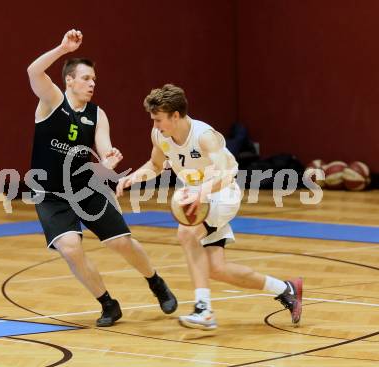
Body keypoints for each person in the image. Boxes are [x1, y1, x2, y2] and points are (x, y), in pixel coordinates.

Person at [116, 84, 302, 330]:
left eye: (158, 119)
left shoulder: (204, 136)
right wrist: (131, 178)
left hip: (223, 194)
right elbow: (155, 164)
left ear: (175, 115)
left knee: (186, 232)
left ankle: (204, 310)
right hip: (199, 197)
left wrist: (202, 191)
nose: (155, 125)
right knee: (216, 269)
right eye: (153, 120)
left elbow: (229, 174)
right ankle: (286, 289)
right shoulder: (159, 135)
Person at [27, 30, 177, 327]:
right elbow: (33, 70)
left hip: (84, 189)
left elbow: (104, 151)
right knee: (70, 248)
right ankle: (108, 303)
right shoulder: (52, 100)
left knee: (121, 243)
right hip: (50, 195)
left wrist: (109, 161)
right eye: (86, 78)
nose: (92, 83)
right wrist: (62, 48)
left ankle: (156, 282)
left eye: (94, 79)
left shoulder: (98, 114)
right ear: (69, 80)